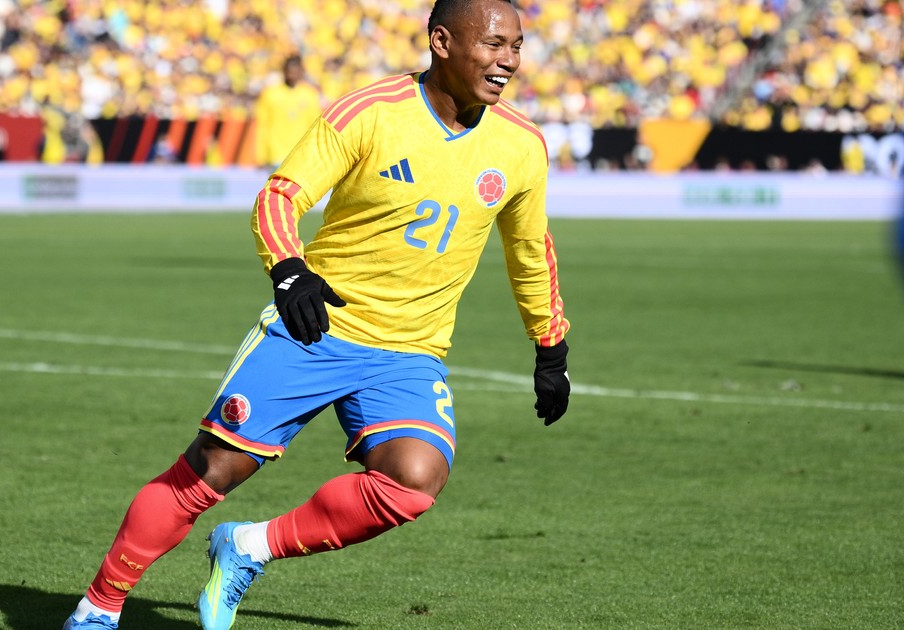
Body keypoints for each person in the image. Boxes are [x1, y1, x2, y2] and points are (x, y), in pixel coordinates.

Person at [63, 0, 571, 628]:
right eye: (494, 44)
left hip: (409, 351)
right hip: (315, 328)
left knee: (415, 480)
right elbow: (281, 196)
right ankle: (98, 607)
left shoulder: (521, 144)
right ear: (441, 42)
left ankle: (249, 546)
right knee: (211, 471)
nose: (508, 61)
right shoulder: (370, 112)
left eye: (516, 46)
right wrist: (289, 270)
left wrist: (550, 347)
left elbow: (530, 249)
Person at [253, 54, 324, 168]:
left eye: (295, 71)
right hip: (276, 155)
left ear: (301, 72)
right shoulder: (270, 94)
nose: (292, 75)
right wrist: (261, 156)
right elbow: (262, 126)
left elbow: (315, 126)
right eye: (289, 71)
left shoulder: (310, 95)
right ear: (284, 71)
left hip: (301, 155)